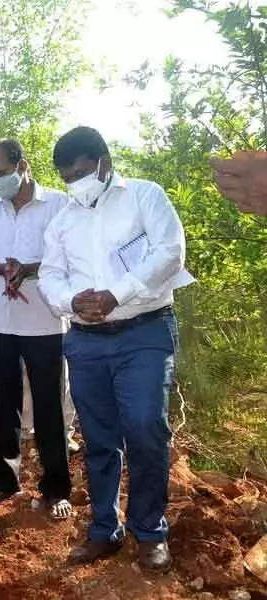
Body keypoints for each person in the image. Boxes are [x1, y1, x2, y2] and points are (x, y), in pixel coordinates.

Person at [40, 126, 194, 573]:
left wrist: (116, 294)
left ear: (104, 163)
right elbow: (50, 274)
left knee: (146, 427)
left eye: (82, 172)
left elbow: (170, 252)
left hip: (143, 332)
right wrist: (73, 301)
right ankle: (104, 528)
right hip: (86, 341)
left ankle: (150, 531)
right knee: (99, 439)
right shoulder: (64, 218)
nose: (76, 183)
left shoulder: (145, 196)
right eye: (68, 176)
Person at [0, 138, 73, 520]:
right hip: (3, 321)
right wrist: (4, 269)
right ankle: (4, 480)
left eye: (2, 173)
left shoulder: (59, 204)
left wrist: (31, 268)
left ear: (22, 165)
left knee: (49, 406)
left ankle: (57, 487)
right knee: (4, 402)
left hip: (47, 321)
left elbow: (69, 256)